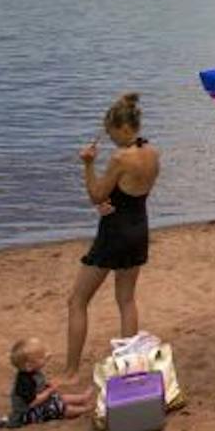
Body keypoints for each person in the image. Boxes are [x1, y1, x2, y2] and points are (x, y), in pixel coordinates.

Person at [66, 92, 161, 374]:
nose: (109, 139)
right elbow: (133, 191)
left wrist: (88, 165)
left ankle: (71, 371)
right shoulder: (153, 152)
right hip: (138, 228)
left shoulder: (121, 157)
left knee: (77, 301)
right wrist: (112, 202)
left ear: (122, 128)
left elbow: (96, 195)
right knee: (127, 300)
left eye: (110, 133)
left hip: (115, 233)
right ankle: (131, 365)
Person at [0, 337, 94, 428]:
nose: (46, 357)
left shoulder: (31, 371)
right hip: (28, 413)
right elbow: (33, 402)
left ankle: (82, 398)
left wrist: (46, 386)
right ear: (29, 366)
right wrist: (49, 391)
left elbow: (39, 386)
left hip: (41, 403)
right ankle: (84, 409)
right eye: (41, 357)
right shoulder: (24, 382)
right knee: (59, 408)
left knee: (61, 398)